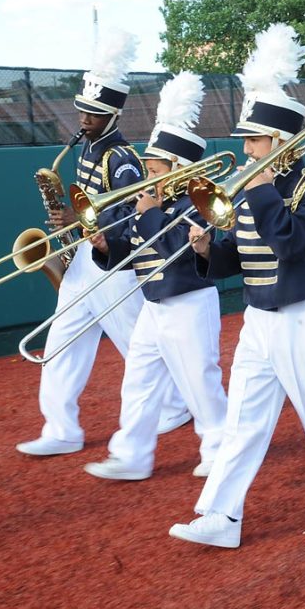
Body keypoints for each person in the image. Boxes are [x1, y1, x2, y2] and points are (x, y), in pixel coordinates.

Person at [168, 23, 305, 549]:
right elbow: (247, 255)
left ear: (279, 141)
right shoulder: (253, 188)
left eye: (253, 139)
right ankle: (220, 515)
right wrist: (211, 253)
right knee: (242, 422)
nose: (246, 148)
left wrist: (260, 191)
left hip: (302, 316)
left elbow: (291, 243)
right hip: (257, 319)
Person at [16, 29, 189, 457]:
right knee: (61, 340)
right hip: (82, 261)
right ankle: (61, 428)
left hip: (114, 265)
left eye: (93, 114)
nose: (84, 119)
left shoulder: (123, 158)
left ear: (113, 114)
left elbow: (133, 212)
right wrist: (68, 223)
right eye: (82, 111)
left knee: (138, 345)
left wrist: (83, 219)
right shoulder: (87, 150)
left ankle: (176, 403)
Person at [84, 73, 226, 481]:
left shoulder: (199, 202)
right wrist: (107, 247)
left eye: (155, 167)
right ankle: (132, 453)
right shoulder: (152, 204)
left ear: (177, 168)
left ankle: (219, 447)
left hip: (188, 301)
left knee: (200, 381)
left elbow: (175, 247)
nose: (147, 174)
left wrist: (148, 213)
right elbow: (136, 251)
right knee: (139, 381)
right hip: (154, 303)